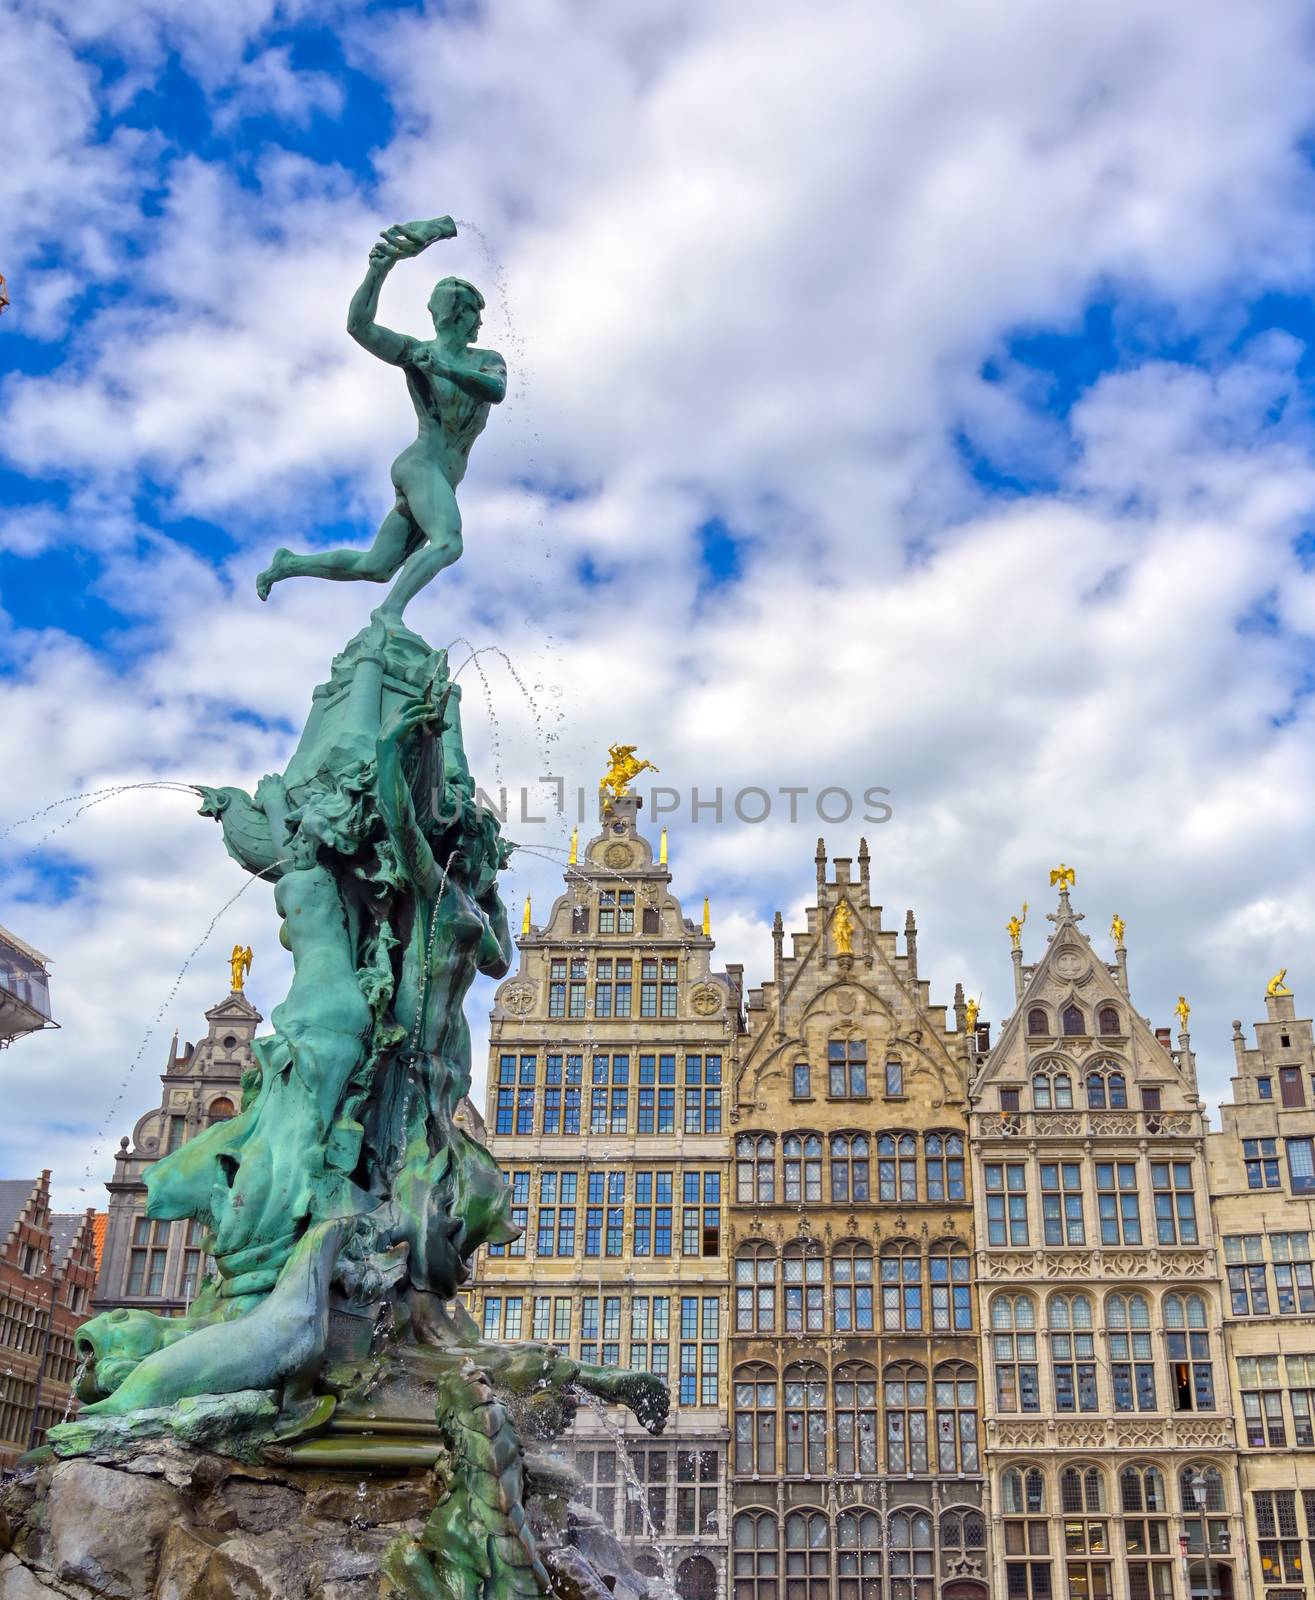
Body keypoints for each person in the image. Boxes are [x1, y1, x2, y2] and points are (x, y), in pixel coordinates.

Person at [256, 218, 506, 622]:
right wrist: (380, 267)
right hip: (421, 465)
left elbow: (495, 390)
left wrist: (445, 368)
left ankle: (288, 564)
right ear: (458, 316)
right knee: (448, 543)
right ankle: (388, 615)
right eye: (475, 313)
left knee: (377, 566)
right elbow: (359, 327)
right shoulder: (414, 353)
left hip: (442, 476)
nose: (480, 322)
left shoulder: (485, 361)